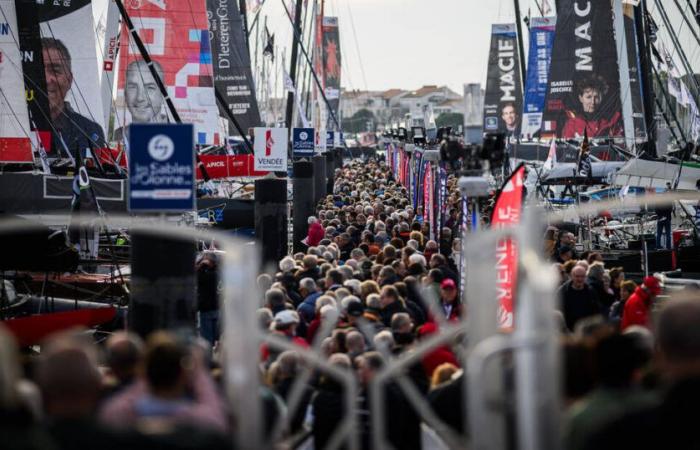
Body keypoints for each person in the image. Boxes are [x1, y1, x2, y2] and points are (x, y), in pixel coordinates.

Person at [41, 38, 106, 157]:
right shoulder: (7, 128)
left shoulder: (90, 131)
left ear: (69, 80)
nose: (46, 79)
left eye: (55, 71)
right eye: (38, 70)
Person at [113, 59, 167, 141]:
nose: (139, 98)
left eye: (150, 88)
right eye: (133, 87)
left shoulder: (179, 137)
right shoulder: (118, 136)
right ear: (125, 92)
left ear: (163, 93)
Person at [558, 265, 601, 332]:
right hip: (568, 332)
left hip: (587, 332)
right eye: (577, 276)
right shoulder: (563, 292)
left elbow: (597, 311)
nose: (580, 279)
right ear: (572, 276)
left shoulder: (591, 291)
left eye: (582, 276)